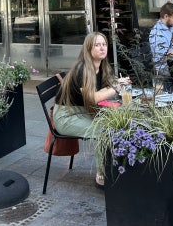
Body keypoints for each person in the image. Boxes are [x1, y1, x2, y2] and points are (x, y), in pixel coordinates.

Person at [54, 32, 130, 189]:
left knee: (113, 124)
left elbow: (102, 91)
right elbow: (93, 98)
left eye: (104, 44)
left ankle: (116, 167)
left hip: (82, 111)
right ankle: (101, 175)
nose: (102, 48)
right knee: (104, 131)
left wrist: (115, 84)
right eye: (97, 45)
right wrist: (116, 87)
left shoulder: (101, 66)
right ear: (88, 49)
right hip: (66, 117)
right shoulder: (82, 69)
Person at [148, 2, 173, 79]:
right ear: (166, 16)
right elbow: (161, 59)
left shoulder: (171, 27)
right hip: (165, 69)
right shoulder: (157, 34)